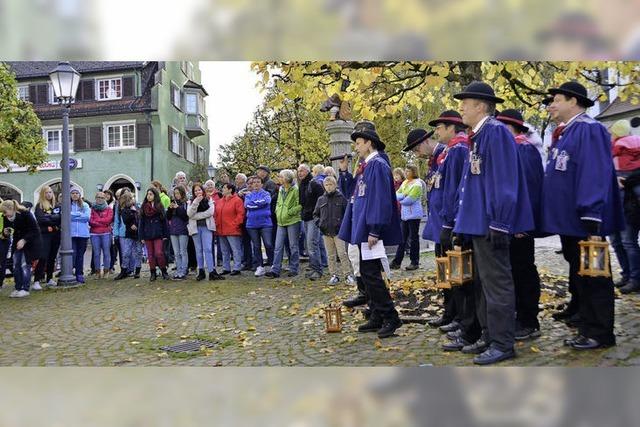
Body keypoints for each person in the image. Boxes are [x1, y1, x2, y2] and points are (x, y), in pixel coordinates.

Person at [452, 81, 534, 364]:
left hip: (491, 223)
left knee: (497, 284)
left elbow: (504, 182)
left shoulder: (496, 132)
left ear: (480, 106)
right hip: (479, 223)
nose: (460, 107)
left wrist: (500, 221)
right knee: (485, 285)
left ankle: (502, 343)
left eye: (465, 102)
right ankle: (489, 335)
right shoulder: (479, 135)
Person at [542, 81, 624, 350]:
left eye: (556, 99)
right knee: (581, 274)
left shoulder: (588, 129)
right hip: (570, 222)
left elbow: (593, 172)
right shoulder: (567, 132)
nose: (550, 105)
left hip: (585, 220)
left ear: (573, 101)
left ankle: (600, 333)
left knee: (595, 275)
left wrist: (591, 212)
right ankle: (586, 323)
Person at [338, 120, 402, 339]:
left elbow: (379, 200)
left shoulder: (378, 165)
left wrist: (374, 229)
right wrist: (345, 174)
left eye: (358, 142)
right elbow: (354, 194)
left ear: (369, 143)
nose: (356, 147)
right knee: (367, 274)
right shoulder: (366, 166)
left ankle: (390, 316)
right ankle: (376, 314)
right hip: (362, 226)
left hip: (369, 229)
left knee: (371, 274)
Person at [496, 109, 545, 340]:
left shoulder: (523, 149)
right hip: (510, 224)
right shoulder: (512, 149)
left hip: (520, 226)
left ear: (510, 128)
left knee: (523, 270)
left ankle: (528, 320)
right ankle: (520, 316)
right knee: (514, 270)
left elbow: (528, 190)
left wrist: (523, 224)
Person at [608, 119, 640, 294]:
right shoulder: (614, 152)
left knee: (627, 242)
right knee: (619, 242)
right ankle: (629, 275)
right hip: (618, 205)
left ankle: (634, 278)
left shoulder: (619, 151)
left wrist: (626, 181)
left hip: (626, 206)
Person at [313, 175, 352, 285]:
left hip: (339, 231)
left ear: (335, 185)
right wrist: (320, 224)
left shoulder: (341, 198)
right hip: (326, 232)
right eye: (326, 185)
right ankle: (334, 275)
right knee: (330, 255)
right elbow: (315, 214)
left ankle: (347, 274)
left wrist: (343, 226)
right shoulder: (321, 199)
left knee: (342, 254)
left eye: (331, 184)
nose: (328, 187)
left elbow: (347, 213)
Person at [0, 200, 41, 297]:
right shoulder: (7, 218)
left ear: (11, 208)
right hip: (17, 243)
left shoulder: (25, 214)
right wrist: (5, 233)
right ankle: (18, 287)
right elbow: (6, 231)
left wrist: (24, 240)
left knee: (25, 265)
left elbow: (35, 230)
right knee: (15, 265)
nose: (5, 215)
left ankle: (25, 288)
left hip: (29, 243)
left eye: (5, 212)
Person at [265, 169, 302, 279]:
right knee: (278, 246)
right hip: (281, 221)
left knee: (293, 246)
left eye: (281, 177)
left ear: (286, 178)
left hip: (292, 221)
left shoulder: (295, 189)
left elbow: (300, 205)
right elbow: (278, 202)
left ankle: (294, 268)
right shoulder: (281, 189)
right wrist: (277, 211)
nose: (279, 179)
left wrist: (289, 212)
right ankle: (275, 269)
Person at [188, 183, 223, 281]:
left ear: (202, 191)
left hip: (206, 227)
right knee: (198, 250)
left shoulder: (209, 200)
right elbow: (190, 214)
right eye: (195, 191)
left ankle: (212, 271)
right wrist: (196, 202)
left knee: (208, 249)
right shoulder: (191, 202)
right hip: (195, 228)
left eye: (199, 190)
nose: (197, 192)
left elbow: (210, 212)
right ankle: (201, 271)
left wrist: (197, 215)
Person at [391, 165, 423, 271]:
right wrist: (404, 196)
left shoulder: (417, 184)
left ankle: (414, 261)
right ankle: (397, 261)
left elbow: (410, 199)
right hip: (405, 215)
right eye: (406, 171)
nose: (406, 173)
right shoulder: (405, 183)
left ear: (413, 172)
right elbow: (397, 194)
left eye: (408, 171)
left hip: (414, 215)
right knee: (402, 238)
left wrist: (402, 197)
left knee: (413, 238)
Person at [298, 163, 325, 280]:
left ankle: (317, 270)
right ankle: (314, 267)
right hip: (306, 217)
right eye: (298, 171)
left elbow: (322, 199)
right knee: (313, 244)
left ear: (308, 171)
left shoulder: (313, 183)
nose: (300, 173)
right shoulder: (302, 184)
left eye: (302, 171)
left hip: (313, 217)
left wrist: (317, 214)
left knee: (311, 244)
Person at [244, 175, 274, 276]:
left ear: (261, 184)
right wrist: (258, 204)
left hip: (265, 223)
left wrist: (255, 204)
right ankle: (260, 266)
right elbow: (247, 205)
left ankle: (272, 264)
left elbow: (266, 202)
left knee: (268, 244)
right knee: (256, 246)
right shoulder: (248, 195)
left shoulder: (266, 194)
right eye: (254, 182)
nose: (256, 184)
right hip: (251, 224)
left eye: (258, 182)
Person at [138, 187, 169, 281]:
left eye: (151, 194)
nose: (149, 196)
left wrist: (165, 235)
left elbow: (164, 222)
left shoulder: (159, 206)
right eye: (148, 194)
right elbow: (141, 223)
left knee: (159, 253)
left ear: (155, 195)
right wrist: (141, 236)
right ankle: (153, 272)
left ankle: (164, 271)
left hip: (158, 233)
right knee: (150, 255)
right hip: (147, 234)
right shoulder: (144, 207)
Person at [33, 185, 61, 289]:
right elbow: (41, 219)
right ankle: (37, 280)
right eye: (46, 192)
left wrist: (50, 219)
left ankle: (50, 278)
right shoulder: (39, 206)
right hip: (45, 234)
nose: (49, 194)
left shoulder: (56, 206)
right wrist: (53, 219)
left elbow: (60, 218)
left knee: (52, 257)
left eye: (50, 192)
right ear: (42, 194)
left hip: (56, 234)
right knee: (43, 257)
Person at [215, 183, 246, 275]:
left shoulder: (237, 200)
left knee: (235, 249)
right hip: (221, 229)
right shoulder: (220, 201)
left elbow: (240, 214)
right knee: (224, 250)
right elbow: (216, 214)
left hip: (232, 229)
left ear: (230, 190)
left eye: (224, 188)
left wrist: (235, 224)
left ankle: (237, 267)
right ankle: (226, 268)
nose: (222, 189)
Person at [114, 191, 140, 280]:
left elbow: (140, 218)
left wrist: (136, 224)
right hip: (128, 233)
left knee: (137, 252)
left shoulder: (137, 207)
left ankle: (137, 270)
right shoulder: (124, 210)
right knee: (126, 253)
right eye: (131, 198)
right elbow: (126, 219)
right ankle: (124, 270)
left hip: (137, 234)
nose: (133, 199)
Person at [167, 184, 190, 280]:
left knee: (183, 251)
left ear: (182, 193)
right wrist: (169, 209)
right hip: (173, 230)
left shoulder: (186, 203)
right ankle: (178, 269)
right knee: (176, 252)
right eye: (175, 193)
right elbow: (168, 217)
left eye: (178, 193)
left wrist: (178, 208)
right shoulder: (173, 203)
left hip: (183, 230)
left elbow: (186, 216)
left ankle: (184, 270)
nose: (176, 195)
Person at [89, 191, 114, 279]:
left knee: (106, 252)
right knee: (96, 253)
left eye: (102, 197)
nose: (100, 199)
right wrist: (101, 222)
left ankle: (106, 270)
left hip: (106, 233)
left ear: (105, 199)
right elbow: (90, 221)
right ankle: (97, 271)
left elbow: (108, 220)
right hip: (94, 233)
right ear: (95, 198)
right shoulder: (92, 209)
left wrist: (97, 221)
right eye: (98, 197)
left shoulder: (109, 209)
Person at [70, 187, 91, 283]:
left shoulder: (85, 205)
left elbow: (87, 217)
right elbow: (66, 216)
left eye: (76, 193)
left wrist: (74, 215)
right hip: (72, 234)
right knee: (73, 254)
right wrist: (79, 214)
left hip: (83, 234)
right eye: (73, 193)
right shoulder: (67, 205)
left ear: (79, 195)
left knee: (80, 255)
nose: (74, 195)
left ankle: (79, 273)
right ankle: (71, 271)